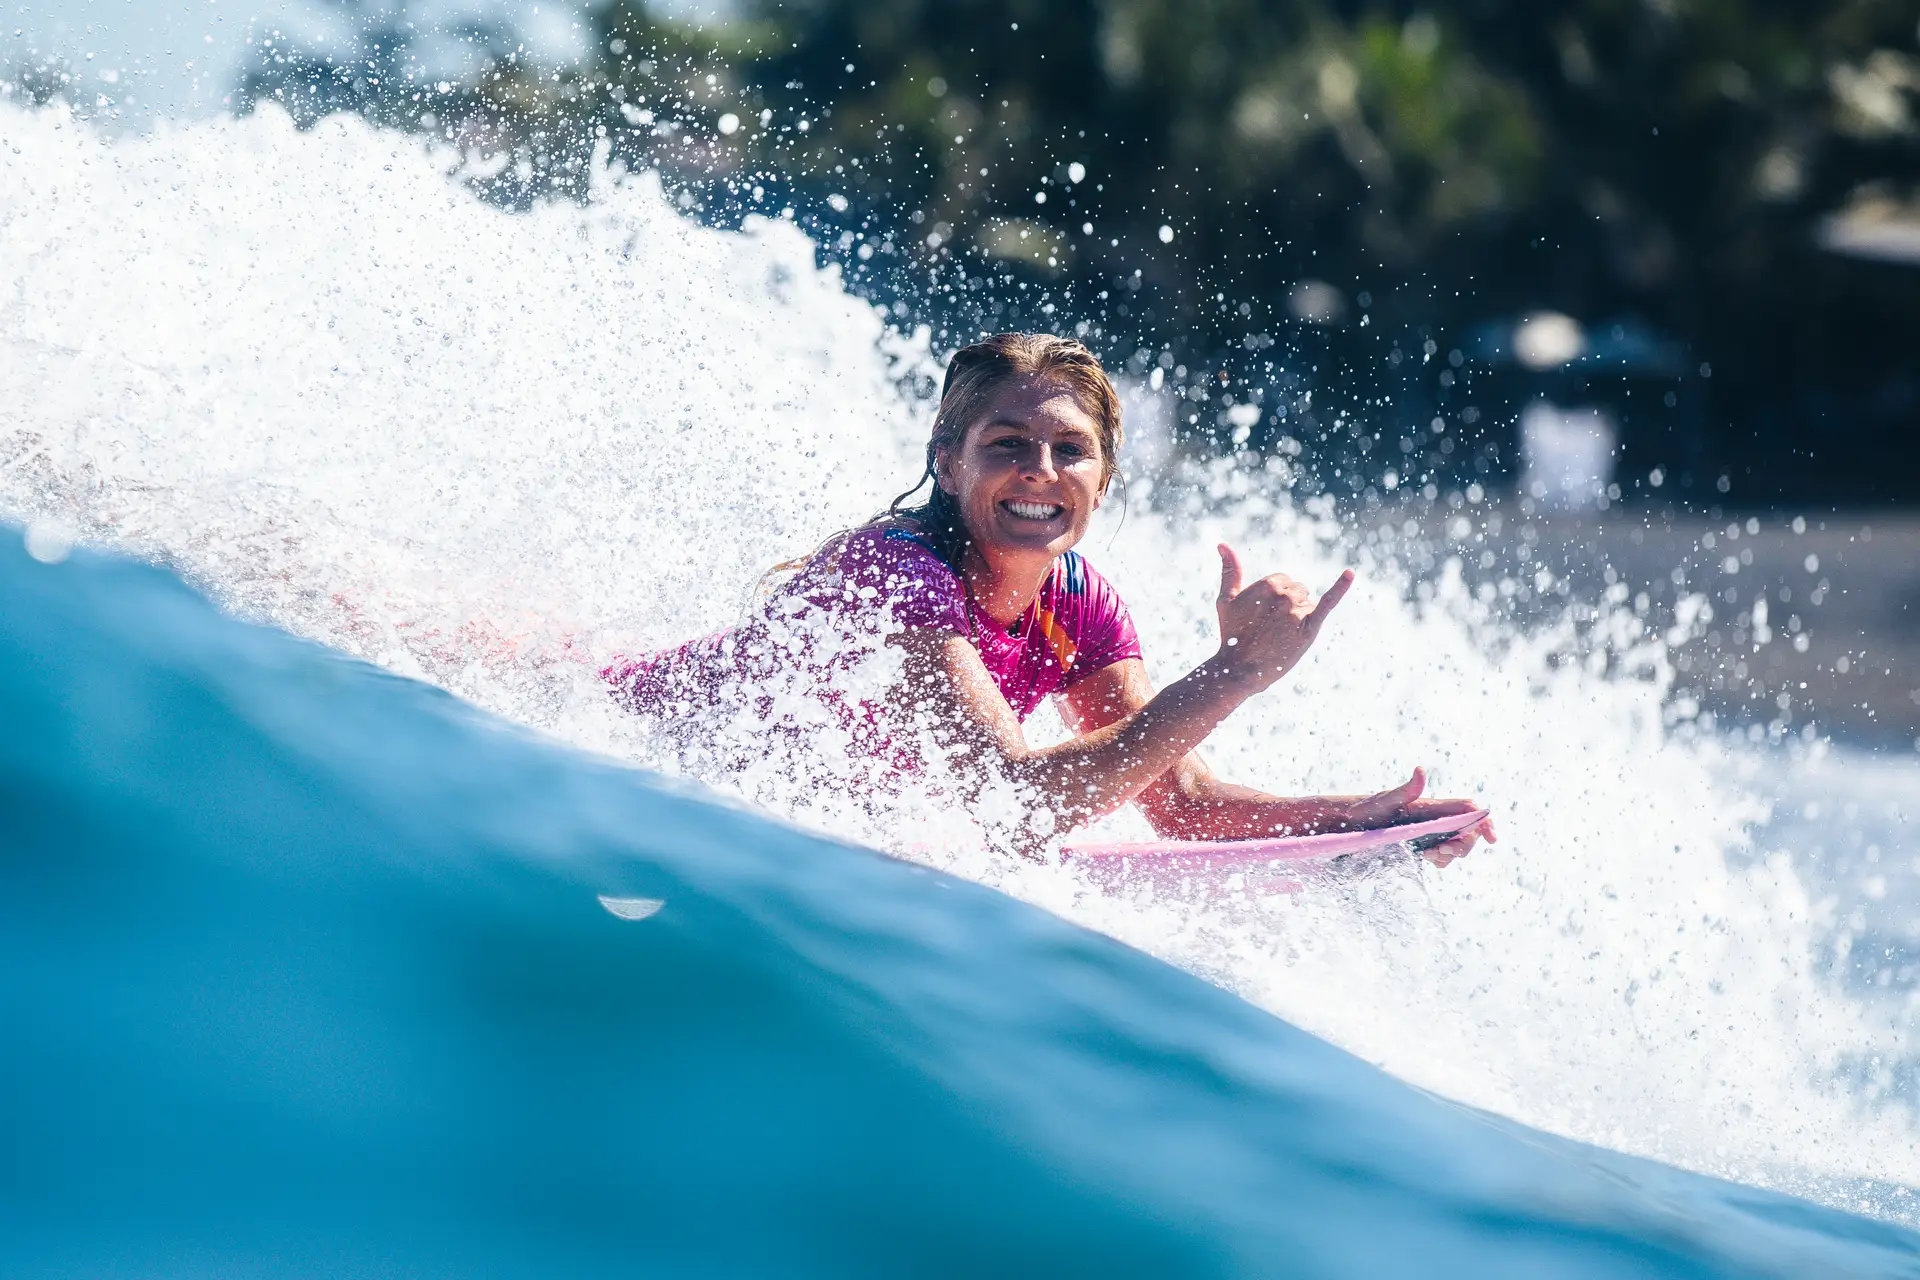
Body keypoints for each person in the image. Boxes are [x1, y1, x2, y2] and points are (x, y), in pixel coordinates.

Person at [604, 333, 1494, 863]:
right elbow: (1011, 800)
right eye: (1007, 444)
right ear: (949, 462)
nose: (1040, 471)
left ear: (1103, 480)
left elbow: (1178, 804)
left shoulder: (1080, 603)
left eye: (1070, 450)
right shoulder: (900, 575)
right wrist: (1231, 675)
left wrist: (1359, 820)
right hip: (626, 750)